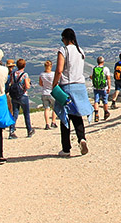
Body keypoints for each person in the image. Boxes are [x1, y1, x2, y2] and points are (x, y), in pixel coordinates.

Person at [51, 28, 94, 157]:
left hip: (67, 86)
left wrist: (54, 85)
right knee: (77, 114)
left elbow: (59, 70)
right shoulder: (81, 51)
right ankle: (82, 138)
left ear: (65, 38)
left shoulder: (63, 50)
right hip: (80, 86)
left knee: (64, 117)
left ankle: (66, 148)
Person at [8, 58, 34, 139]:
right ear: (24, 65)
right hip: (23, 95)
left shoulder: (13, 74)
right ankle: (29, 130)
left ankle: (12, 130)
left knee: (15, 113)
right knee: (26, 113)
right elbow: (27, 86)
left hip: (14, 95)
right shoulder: (25, 75)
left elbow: (11, 83)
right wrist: (29, 83)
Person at [91, 56, 111, 122]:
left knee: (96, 101)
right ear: (103, 62)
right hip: (104, 88)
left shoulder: (94, 68)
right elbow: (108, 78)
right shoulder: (106, 69)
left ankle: (96, 114)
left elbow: (92, 77)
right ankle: (106, 113)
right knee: (105, 101)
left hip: (96, 87)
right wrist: (109, 87)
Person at [40, 60, 57, 129]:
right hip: (52, 92)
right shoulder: (53, 74)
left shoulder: (42, 74)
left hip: (44, 92)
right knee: (54, 108)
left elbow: (41, 83)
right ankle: (53, 122)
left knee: (46, 109)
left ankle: (47, 124)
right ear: (51, 66)